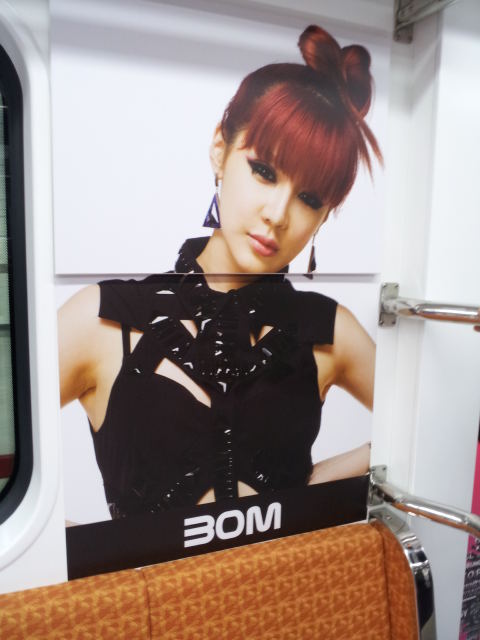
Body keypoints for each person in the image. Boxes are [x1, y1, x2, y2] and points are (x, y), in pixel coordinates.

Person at [59, 25, 382, 519]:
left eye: (309, 198)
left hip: (287, 571)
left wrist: (313, 491)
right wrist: (82, 555)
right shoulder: (100, 318)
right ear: (220, 149)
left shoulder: (327, 329)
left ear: (324, 215)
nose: (278, 214)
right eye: (265, 171)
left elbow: (422, 429)